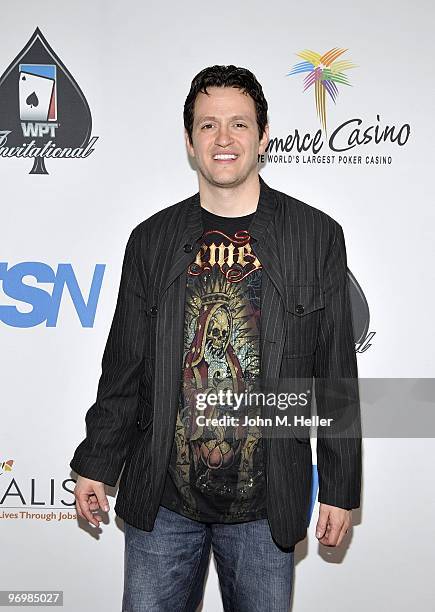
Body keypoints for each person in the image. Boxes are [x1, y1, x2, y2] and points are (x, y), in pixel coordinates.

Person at [70, 65, 362, 612]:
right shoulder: (151, 239)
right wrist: (97, 460)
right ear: (189, 141)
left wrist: (341, 488)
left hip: (265, 503)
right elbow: (125, 365)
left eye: (239, 125)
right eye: (208, 126)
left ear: (263, 136)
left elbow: (337, 374)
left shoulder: (315, 235)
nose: (223, 139)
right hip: (162, 502)